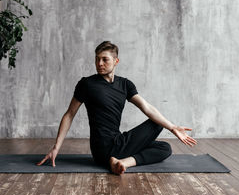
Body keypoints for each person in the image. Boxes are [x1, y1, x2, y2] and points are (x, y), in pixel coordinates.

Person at [37, 41, 197, 175]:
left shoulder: (125, 84)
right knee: (157, 124)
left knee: (164, 147)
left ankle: (123, 163)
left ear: (116, 61)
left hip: (118, 143)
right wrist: (56, 147)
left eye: (104, 59)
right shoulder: (87, 84)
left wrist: (172, 127)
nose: (99, 64)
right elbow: (69, 114)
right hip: (102, 148)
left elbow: (146, 107)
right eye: (97, 59)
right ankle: (118, 160)